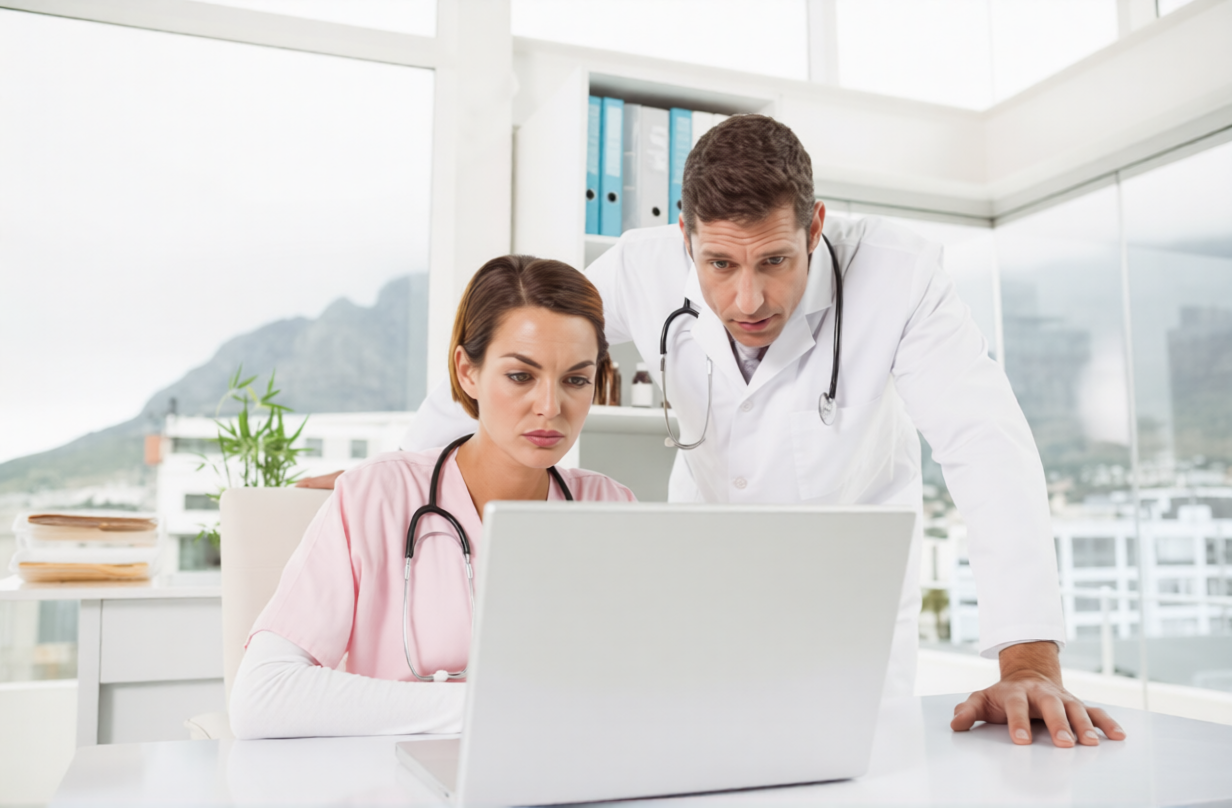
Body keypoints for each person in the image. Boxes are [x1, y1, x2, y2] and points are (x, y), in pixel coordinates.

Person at [400, 115, 1125, 748]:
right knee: (690, 752)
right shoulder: (640, 268)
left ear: (814, 226)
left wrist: (1028, 660)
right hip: (703, 569)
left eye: (775, 262)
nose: (747, 299)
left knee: (857, 772)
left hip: (850, 589)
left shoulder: (900, 276)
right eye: (718, 264)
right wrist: (406, 470)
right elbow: (509, 352)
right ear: (684, 236)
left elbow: (982, 442)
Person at [229, 255, 635, 740]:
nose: (551, 407)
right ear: (467, 373)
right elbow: (263, 697)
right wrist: (488, 710)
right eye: (521, 376)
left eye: (575, 379)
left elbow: (652, 681)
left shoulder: (610, 507)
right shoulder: (376, 496)